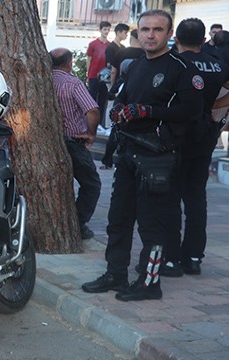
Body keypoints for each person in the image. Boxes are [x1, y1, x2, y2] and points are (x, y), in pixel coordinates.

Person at [81, 10, 204, 302]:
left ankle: (150, 284)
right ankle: (115, 274)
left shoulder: (181, 68)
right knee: (118, 219)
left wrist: (149, 111)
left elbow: (191, 110)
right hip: (127, 152)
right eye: (145, 30)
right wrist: (118, 107)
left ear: (169, 34)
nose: (150, 35)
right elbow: (122, 94)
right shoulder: (135, 65)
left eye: (157, 30)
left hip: (158, 157)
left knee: (152, 224)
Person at [161, 19, 229, 277]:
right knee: (196, 198)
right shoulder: (218, 64)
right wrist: (213, 105)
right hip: (204, 135)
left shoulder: (174, 63)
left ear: (175, 38)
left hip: (176, 135)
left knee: (171, 198)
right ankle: (193, 257)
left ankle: (171, 258)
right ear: (203, 40)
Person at [50, 48, 102, 240]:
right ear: (70, 63)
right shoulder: (73, 83)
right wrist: (91, 133)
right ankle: (78, 224)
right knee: (92, 184)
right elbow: (92, 110)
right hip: (73, 141)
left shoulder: (40, 81)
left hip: (49, 143)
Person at [102, 29, 146, 169]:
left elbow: (114, 71)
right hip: (140, 94)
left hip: (122, 91)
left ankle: (108, 160)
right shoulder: (146, 54)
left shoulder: (122, 53)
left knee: (117, 127)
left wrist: (113, 89)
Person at [87, 21, 111, 125]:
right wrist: (88, 75)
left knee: (102, 100)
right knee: (91, 100)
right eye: (105, 29)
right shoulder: (93, 44)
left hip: (105, 78)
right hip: (93, 75)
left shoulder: (110, 46)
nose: (106, 31)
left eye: (108, 29)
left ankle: (99, 123)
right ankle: (89, 122)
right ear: (100, 30)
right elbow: (89, 59)